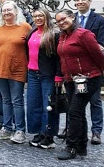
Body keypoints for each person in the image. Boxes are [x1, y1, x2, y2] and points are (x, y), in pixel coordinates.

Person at [55, 9, 104, 160]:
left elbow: (99, 57)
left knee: (74, 112)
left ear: (72, 17)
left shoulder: (84, 34)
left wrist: (91, 73)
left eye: (64, 19)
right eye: (58, 21)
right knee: (77, 112)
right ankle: (81, 146)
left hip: (88, 79)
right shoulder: (62, 37)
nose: (61, 22)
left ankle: (71, 146)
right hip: (71, 80)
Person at [0, 0, 33, 130]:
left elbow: (31, 47)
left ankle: (20, 129)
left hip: (18, 70)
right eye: (4, 10)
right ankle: (6, 128)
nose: (7, 12)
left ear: (16, 11)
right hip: (1, 69)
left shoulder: (25, 26)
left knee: (17, 101)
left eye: (10, 10)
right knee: (5, 100)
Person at [74, 0, 104, 145]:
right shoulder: (71, 19)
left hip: (92, 67)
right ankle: (76, 130)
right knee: (75, 102)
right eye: (77, 0)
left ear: (89, 1)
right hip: (75, 68)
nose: (80, 2)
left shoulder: (99, 20)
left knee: (95, 101)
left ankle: (96, 132)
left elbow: (100, 45)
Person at [26, 8, 60, 149]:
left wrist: (59, 75)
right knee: (33, 105)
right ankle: (39, 132)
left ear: (47, 17)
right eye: (36, 16)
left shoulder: (53, 34)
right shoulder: (32, 31)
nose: (38, 18)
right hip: (32, 73)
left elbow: (59, 57)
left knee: (49, 106)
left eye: (41, 16)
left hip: (48, 74)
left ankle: (49, 135)